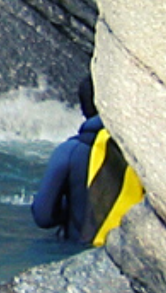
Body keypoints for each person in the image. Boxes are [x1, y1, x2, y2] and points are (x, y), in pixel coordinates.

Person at [33, 75, 143, 246]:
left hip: (82, 248)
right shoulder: (142, 147)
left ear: (83, 108)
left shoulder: (69, 151)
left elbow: (43, 216)